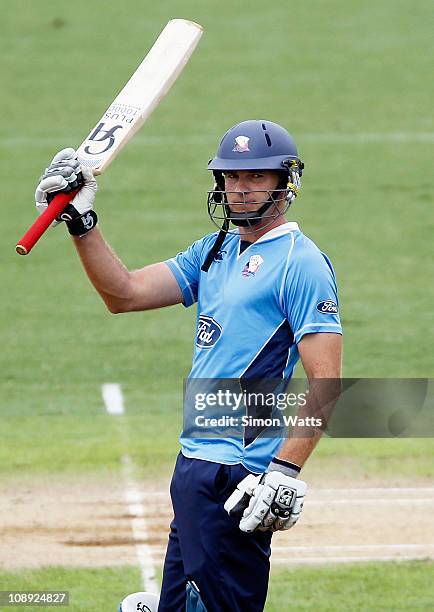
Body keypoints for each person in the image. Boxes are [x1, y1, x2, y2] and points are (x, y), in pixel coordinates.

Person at [35, 120, 343, 612]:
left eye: (255, 178)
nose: (239, 190)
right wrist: (81, 224)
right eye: (231, 178)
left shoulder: (300, 263)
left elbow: (327, 383)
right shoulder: (214, 249)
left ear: (285, 182)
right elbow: (125, 294)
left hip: (239, 475)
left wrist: (284, 470)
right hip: (193, 466)